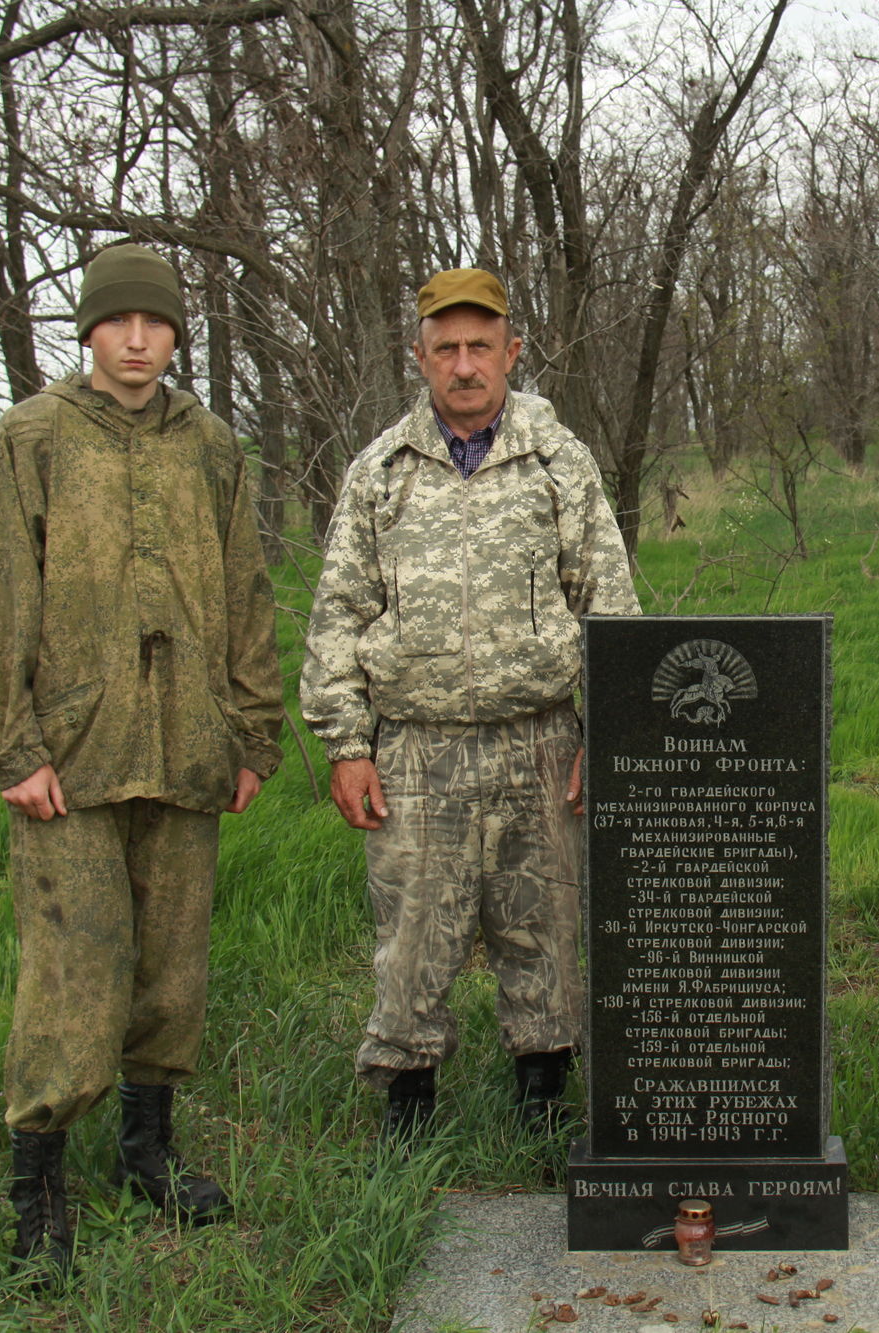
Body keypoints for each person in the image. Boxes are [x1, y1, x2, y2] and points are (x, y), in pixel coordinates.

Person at [0, 242, 284, 1284]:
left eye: (156, 322)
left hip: (188, 743)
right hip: (71, 753)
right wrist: (12, 743)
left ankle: (148, 1152)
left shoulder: (213, 445)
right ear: (90, 331)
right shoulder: (32, 436)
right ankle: (40, 1189)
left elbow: (245, 592)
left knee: (172, 967)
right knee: (74, 967)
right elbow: (1, 590)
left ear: (177, 333)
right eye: (118, 321)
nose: (138, 340)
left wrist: (251, 730)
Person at [300, 267, 638, 1146]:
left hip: (540, 739)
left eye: (479, 345)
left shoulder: (558, 461)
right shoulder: (381, 472)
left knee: (544, 925)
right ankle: (408, 1109)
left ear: (510, 351)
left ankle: (542, 1104)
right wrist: (347, 744)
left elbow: (609, 605)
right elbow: (338, 614)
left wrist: (607, 733)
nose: (462, 364)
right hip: (417, 746)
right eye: (444, 347)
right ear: (418, 356)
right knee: (414, 932)